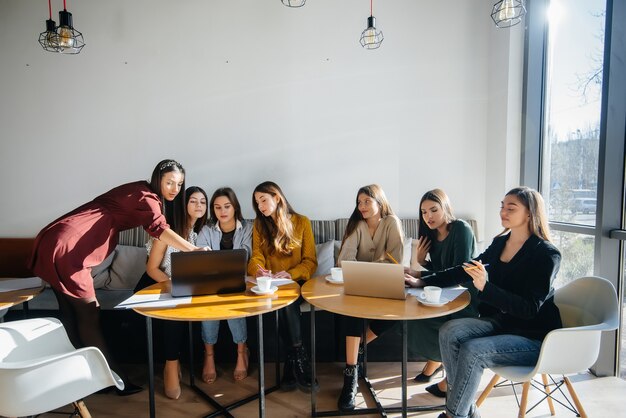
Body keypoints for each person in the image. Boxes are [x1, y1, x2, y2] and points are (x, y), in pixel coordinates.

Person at [29, 159, 204, 395]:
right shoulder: (148, 198)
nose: (174, 188)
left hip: (59, 234)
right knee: (89, 312)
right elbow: (159, 229)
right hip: (70, 243)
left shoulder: (138, 189)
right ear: (157, 179)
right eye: (169, 182)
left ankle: (85, 377)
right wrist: (192, 250)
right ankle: (113, 380)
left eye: (179, 184)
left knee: (70, 312)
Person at [406, 187, 562, 418]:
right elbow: (464, 270)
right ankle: (466, 411)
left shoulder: (547, 254)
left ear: (530, 213)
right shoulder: (500, 243)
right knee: (449, 331)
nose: (503, 212)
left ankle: (453, 415)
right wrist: (422, 280)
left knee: (473, 351)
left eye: (511, 208)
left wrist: (486, 288)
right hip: (502, 323)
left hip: (534, 337)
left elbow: (529, 309)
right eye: (502, 206)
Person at [134, 185, 209, 399]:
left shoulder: (196, 235)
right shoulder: (167, 231)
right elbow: (152, 268)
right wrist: (173, 285)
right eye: (193, 200)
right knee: (173, 314)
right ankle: (170, 366)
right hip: (152, 284)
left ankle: (176, 362)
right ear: (183, 205)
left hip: (177, 285)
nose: (199, 205)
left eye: (203, 202)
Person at [404, 189, 478, 398]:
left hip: (464, 294)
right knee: (415, 315)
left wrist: (420, 273)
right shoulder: (432, 235)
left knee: (441, 321)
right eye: (424, 212)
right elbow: (440, 269)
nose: (429, 217)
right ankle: (436, 361)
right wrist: (422, 261)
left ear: (446, 207)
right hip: (444, 290)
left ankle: (447, 375)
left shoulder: (461, 229)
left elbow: (458, 272)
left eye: (434, 210)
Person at [336, 184, 404, 412]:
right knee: (352, 312)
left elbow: (396, 259)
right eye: (359, 202)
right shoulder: (357, 224)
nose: (362, 206)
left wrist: (365, 269)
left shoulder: (392, 222)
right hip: (357, 286)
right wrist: (364, 271)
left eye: (367, 201)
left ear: (379, 201)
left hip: (385, 286)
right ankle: (350, 376)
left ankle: (359, 345)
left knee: (394, 316)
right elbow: (344, 258)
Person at [247, 181, 318, 392]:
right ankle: (298, 358)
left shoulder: (302, 222)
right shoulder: (259, 225)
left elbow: (310, 261)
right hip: (272, 284)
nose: (260, 206)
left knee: (289, 302)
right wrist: (258, 269)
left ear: (277, 198)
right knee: (285, 301)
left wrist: (291, 274)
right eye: (257, 202)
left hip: (298, 283)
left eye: (263, 200)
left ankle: (293, 358)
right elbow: (256, 256)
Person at [196, 187, 252, 384]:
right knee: (208, 304)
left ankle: (241, 352)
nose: (223, 211)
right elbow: (200, 260)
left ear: (235, 206)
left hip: (237, 281)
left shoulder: (247, 228)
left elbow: (245, 256)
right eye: (217, 207)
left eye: (227, 206)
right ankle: (209, 355)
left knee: (232, 301)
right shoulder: (206, 230)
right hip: (211, 283)